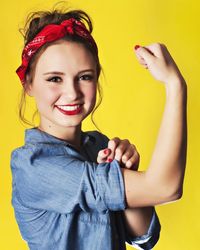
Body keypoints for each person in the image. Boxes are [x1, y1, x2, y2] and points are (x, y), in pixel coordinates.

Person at [10, 4, 187, 250]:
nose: (72, 93)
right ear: (28, 83)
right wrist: (175, 85)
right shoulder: (33, 166)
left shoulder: (98, 146)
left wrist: (125, 171)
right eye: (54, 79)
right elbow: (165, 188)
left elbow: (142, 237)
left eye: (84, 77)